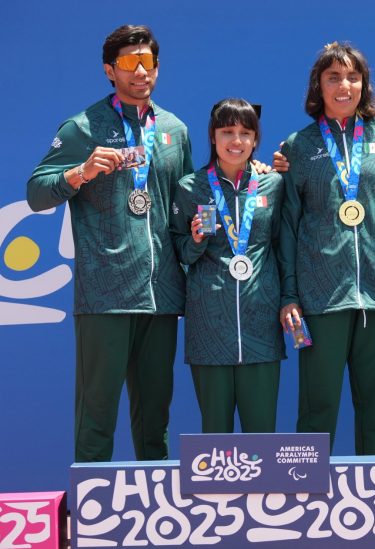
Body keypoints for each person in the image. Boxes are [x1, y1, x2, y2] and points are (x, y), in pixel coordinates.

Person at [26, 25, 192, 462]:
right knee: (97, 416)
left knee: (155, 420)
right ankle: (92, 503)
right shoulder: (83, 127)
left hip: (162, 296)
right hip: (105, 296)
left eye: (147, 61)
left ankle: (154, 503)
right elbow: (36, 193)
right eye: (128, 63)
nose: (140, 71)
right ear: (109, 70)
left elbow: (189, 201)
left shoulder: (174, 129)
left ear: (157, 66)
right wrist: (80, 172)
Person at [277, 42, 375, 454]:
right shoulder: (298, 145)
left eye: (353, 76)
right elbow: (287, 227)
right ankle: (307, 490)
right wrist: (291, 293)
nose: (344, 85)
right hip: (321, 299)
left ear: (364, 83)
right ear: (319, 85)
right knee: (318, 409)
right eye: (333, 77)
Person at [170, 98, 285, 433]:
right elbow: (178, 251)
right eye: (227, 132)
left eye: (246, 133)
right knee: (215, 436)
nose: (237, 141)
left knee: (262, 436)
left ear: (256, 138)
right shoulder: (190, 187)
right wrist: (195, 241)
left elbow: (284, 246)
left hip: (260, 323)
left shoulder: (273, 185)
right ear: (212, 136)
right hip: (209, 326)